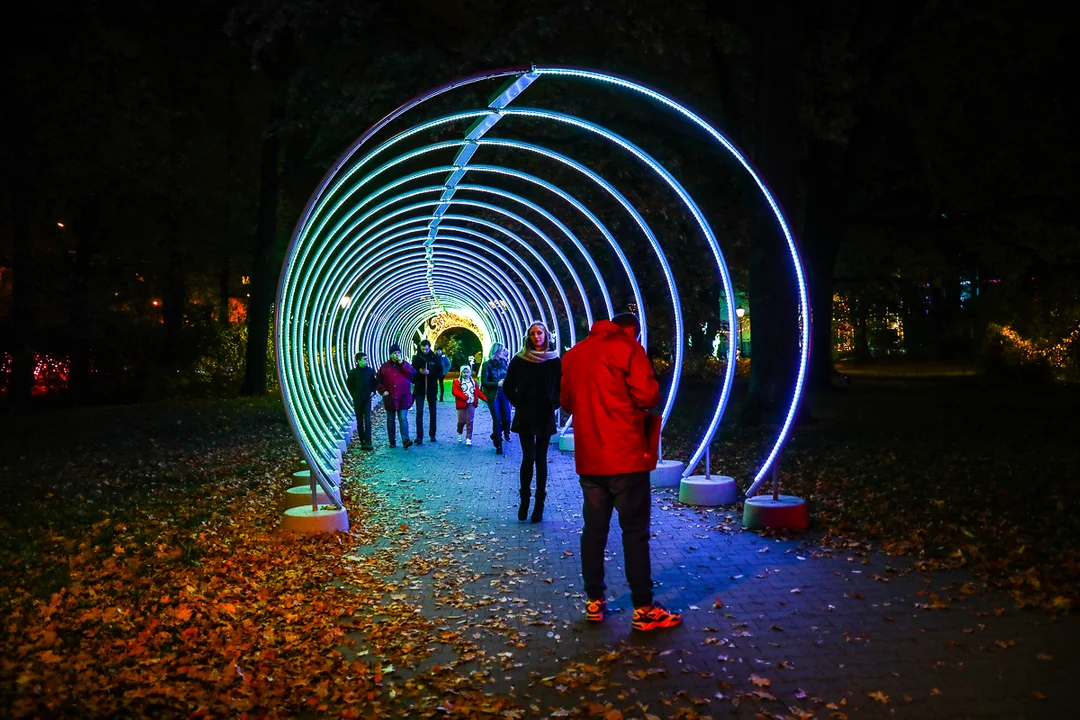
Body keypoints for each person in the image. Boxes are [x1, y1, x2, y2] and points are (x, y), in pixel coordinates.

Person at [560, 313, 682, 632]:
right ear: (630, 330)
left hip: (590, 458)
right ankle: (643, 609)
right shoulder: (628, 349)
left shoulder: (574, 355)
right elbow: (647, 396)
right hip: (626, 455)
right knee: (634, 532)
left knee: (594, 530)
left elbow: (567, 403)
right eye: (636, 334)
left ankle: (594, 601)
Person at [502, 322, 561, 523]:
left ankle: (539, 504)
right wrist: (519, 402)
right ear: (528, 337)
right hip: (526, 414)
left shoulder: (554, 361)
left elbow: (562, 386)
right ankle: (525, 500)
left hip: (545, 414)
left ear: (546, 335)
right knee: (528, 457)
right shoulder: (520, 360)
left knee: (542, 459)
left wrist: (554, 403)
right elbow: (508, 385)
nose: (537, 337)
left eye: (540, 333)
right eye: (533, 334)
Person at [374, 344, 414, 449]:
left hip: (403, 397)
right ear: (391, 355)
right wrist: (383, 391)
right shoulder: (384, 367)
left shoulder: (405, 365)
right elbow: (378, 380)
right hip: (390, 397)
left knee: (403, 418)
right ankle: (392, 441)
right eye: (395, 353)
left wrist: (402, 364)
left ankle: (406, 440)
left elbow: (411, 374)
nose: (397, 355)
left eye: (398, 353)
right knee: (391, 420)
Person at [480, 343, 512, 454]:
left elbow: (511, 377)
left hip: (504, 394)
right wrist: (496, 384)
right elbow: (484, 382)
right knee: (497, 419)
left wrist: (506, 362)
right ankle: (498, 443)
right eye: (501, 351)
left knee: (507, 419)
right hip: (493, 395)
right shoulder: (487, 364)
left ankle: (495, 434)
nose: (503, 353)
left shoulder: (504, 364)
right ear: (496, 352)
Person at [410, 339, 440, 444]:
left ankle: (432, 434)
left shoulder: (435, 358)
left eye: (426, 349)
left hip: (431, 388)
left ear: (429, 347)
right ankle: (419, 436)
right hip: (420, 388)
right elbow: (411, 372)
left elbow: (439, 372)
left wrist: (429, 373)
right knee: (419, 412)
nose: (425, 351)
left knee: (433, 412)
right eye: (423, 349)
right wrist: (419, 372)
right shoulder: (416, 358)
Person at [345, 351, 377, 450]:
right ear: (358, 361)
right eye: (364, 359)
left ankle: (368, 441)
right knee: (360, 420)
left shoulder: (370, 371)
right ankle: (362, 441)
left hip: (367, 398)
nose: (366, 361)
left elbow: (374, 382)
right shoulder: (353, 373)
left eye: (367, 359)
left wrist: (373, 391)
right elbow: (349, 384)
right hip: (358, 398)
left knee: (367, 420)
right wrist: (353, 394)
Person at [451, 364, 487, 446]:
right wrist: (465, 397)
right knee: (462, 420)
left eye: (467, 372)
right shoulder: (457, 382)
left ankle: (468, 438)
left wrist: (486, 399)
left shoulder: (473, 382)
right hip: (462, 404)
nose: (466, 374)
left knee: (470, 421)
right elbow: (455, 392)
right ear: (461, 373)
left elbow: (478, 392)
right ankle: (459, 432)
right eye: (464, 372)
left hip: (471, 404)